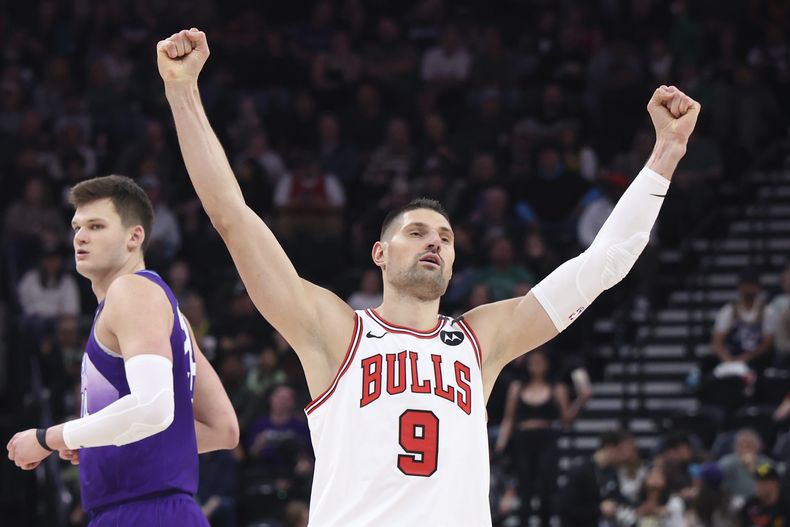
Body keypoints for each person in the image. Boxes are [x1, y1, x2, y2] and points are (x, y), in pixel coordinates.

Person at [159, 28, 700, 526]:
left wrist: (666, 153)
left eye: (445, 236)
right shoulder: (335, 331)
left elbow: (604, 263)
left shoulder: (482, 340)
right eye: (417, 232)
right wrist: (183, 93)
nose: (435, 241)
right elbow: (231, 216)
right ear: (379, 253)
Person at [6, 175, 239, 526]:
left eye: (96, 226)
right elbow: (223, 429)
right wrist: (105, 439)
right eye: (77, 226)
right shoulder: (167, 310)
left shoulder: (132, 292)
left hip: (144, 512)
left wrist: (48, 437)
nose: (80, 237)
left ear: (134, 236)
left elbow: (151, 408)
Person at [494, 349, 591, 524]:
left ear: (547, 364)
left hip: (547, 439)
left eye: (540, 361)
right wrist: (501, 444)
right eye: (532, 362)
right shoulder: (517, 387)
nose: (536, 365)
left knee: (547, 488)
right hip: (523, 440)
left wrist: (582, 399)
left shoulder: (557, 388)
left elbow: (566, 419)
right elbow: (509, 418)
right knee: (524, 488)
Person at [558, 430, 634, 526]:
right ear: (609, 446)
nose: (627, 456)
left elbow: (616, 497)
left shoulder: (611, 472)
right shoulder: (581, 472)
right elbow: (567, 508)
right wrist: (598, 510)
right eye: (622, 450)